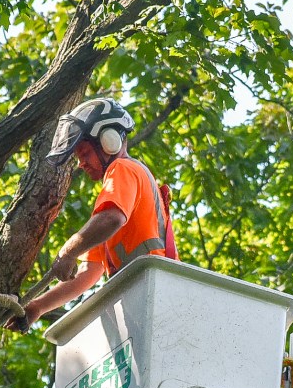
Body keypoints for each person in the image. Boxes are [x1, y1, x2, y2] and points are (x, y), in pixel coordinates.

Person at [11, 97, 176, 330]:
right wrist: (36, 307)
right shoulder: (108, 211)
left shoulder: (123, 169)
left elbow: (112, 218)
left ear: (109, 142)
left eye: (84, 153)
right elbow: (89, 272)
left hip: (155, 289)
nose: (81, 164)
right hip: (147, 295)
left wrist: (69, 251)